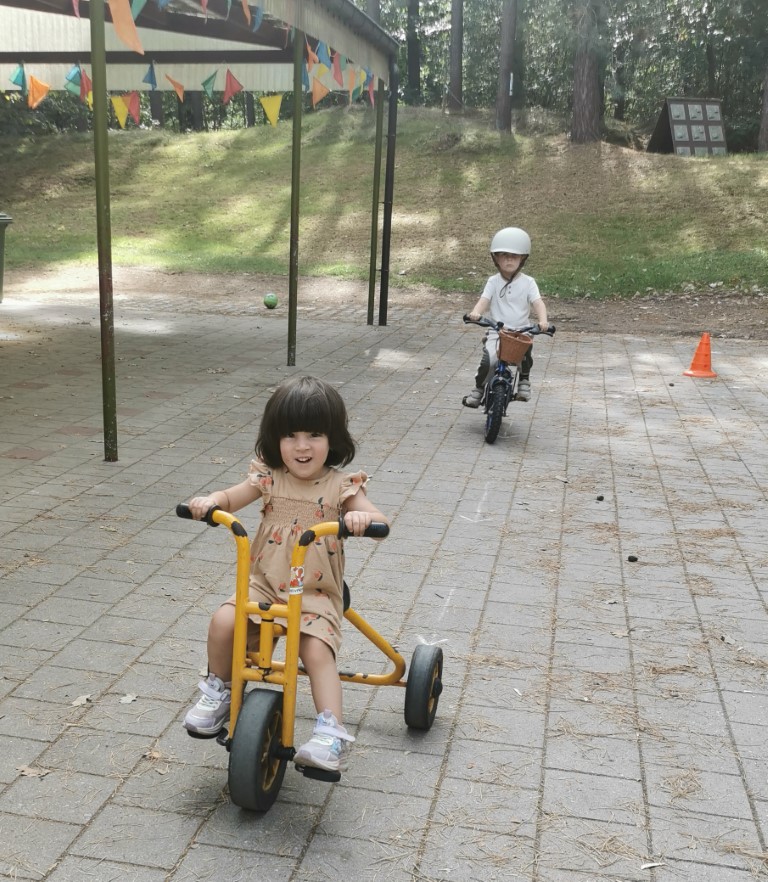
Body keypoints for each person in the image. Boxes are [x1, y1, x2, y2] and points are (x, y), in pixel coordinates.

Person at [182, 375, 388, 774]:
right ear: (274, 438)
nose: (302, 446)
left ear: (333, 439)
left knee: (315, 652)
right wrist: (211, 501)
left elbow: (380, 522)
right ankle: (221, 689)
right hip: (264, 585)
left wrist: (363, 519)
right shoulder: (269, 477)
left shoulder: (341, 486)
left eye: (314, 435)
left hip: (314, 593)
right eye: (290, 435)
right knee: (223, 621)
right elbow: (231, 497)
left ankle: (330, 732)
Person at [462, 226, 550, 406]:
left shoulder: (528, 282)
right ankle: (479, 389)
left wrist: (543, 321)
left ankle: (524, 380)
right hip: (497, 330)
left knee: (525, 352)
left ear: (522, 258)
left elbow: (538, 302)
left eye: (514, 256)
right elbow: (484, 300)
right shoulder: (493, 281)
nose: (509, 259)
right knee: (488, 361)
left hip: (520, 331)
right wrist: (476, 313)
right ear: (495, 258)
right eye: (504, 255)